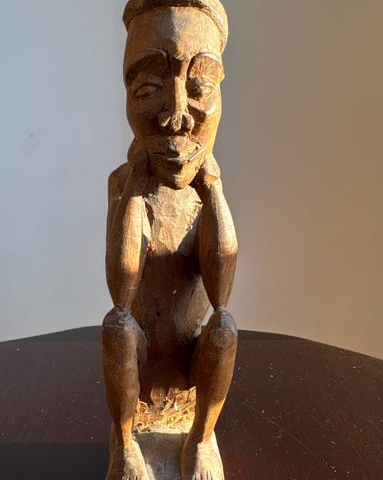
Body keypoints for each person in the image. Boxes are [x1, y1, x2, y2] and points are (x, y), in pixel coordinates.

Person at [102, 1, 237, 478]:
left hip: (188, 359)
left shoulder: (207, 191)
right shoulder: (124, 184)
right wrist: (136, 191)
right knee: (117, 328)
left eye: (199, 88)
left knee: (225, 329)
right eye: (149, 89)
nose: (177, 115)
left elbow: (221, 290)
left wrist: (213, 190)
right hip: (139, 360)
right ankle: (126, 445)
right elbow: (122, 290)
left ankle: (200, 437)